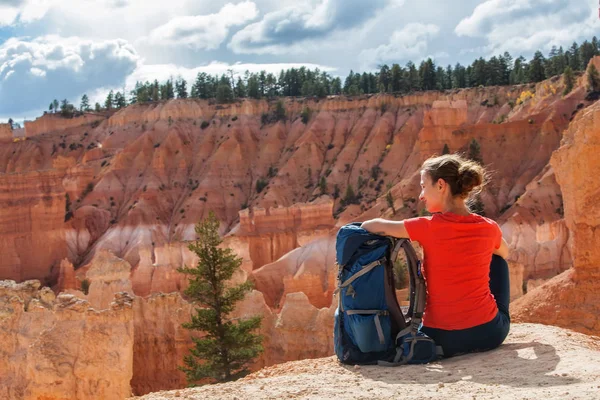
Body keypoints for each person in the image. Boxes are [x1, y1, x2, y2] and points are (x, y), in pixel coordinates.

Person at [361, 154, 510, 357]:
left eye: (424, 186)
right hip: (489, 334)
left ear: (441, 185)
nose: (421, 195)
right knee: (498, 260)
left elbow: (372, 226)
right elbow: (504, 252)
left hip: (442, 338)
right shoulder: (488, 227)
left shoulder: (427, 227)